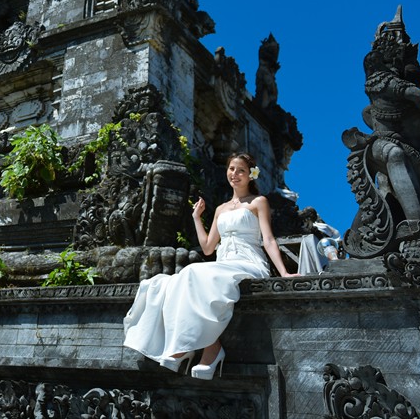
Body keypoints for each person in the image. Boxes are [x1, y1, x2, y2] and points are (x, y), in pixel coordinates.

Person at [122, 152, 297, 379]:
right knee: (178, 279)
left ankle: (197, 349)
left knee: (192, 272)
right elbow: (207, 248)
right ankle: (204, 347)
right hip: (224, 263)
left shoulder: (258, 202)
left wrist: (284, 273)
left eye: (241, 170)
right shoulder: (221, 209)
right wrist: (197, 218)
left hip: (249, 262)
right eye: (231, 169)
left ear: (251, 175)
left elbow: (269, 240)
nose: (235, 174)